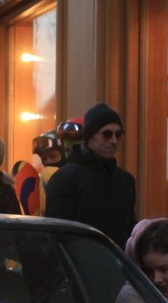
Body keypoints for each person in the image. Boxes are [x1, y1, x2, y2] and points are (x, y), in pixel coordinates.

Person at [46, 102, 137, 247]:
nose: (114, 141)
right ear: (89, 137)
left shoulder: (126, 181)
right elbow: (57, 234)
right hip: (78, 259)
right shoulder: (66, 178)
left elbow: (129, 231)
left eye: (118, 135)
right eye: (107, 134)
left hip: (115, 259)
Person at [12, 131, 65, 215]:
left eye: (53, 156)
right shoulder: (41, 180)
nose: (48, 161)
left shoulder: (49, 173)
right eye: (45, 159)